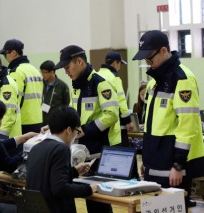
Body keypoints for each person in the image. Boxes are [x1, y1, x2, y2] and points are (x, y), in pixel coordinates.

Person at [132, 30, 204, 208]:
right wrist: (147, 161)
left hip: (173, 164)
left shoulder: (182, 79)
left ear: (164, 51)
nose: (148, 64)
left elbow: (187, 126)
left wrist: (178, 164)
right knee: (153, 209)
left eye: (150, 58)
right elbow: (151, 124)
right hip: (154, 161)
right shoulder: (153, 82)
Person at [54, 45, 120, 213]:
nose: (66, 72)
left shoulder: (100, 83)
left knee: (100, 201)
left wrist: (86, 129)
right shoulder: (76, 85)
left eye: (68, 67)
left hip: (101, 152)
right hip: (83, 151)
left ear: (80, 61)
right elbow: (72, 113)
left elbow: (111, 114)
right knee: (90, 198)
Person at [26, 106, 97, 213]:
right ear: (69, 130)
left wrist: (74, 171)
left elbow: (47, 178)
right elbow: (60, 188)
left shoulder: (36, 147)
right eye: (77, 131)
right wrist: (89, 189)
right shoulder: (61, 148)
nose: (76, 135)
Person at [0, 39, 43, 133]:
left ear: (14, 53)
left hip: (23, 122)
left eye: (5, 54)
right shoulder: (35, 70)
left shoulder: (16, 71)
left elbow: (14, 101)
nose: (5, 57)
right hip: (37, 120)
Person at [98, 52, 133, 147]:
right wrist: (128, 121)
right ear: (115, 63)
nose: (120, 67)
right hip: (116, 124)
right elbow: (121, 100)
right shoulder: (114, 77)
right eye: (120, 63)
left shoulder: (97, 75)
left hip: (101, 122)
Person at [40, 60, 70, 126]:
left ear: (52, 72)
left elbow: (66, 104)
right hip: (41, 120)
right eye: (41, 72)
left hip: (56, 121)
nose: (43, 75)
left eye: (45, 72)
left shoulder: (62, 86)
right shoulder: (39, 84)